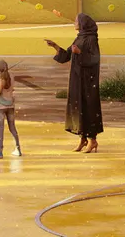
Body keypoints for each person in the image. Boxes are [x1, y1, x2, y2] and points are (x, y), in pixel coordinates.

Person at [46, 14, 103, 153]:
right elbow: (67, 55)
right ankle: (83, 138)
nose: (74, 23)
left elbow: (94, 59)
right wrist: (55, 46)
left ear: (83, 23)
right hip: (77, 79)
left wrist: (80, 52)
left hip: (88, 81)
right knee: (78, 106)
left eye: (76, 21)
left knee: (88, 107)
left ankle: (92, 140)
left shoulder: (91, 39)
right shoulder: (80, 37)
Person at [0, 59, 23, 158]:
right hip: (11, 105)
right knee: (12, 128)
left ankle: (0, 151)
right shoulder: (12, 76)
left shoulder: (2, 80)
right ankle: (18, 149)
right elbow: (12, 89)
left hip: (1, 106)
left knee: (0, 129)